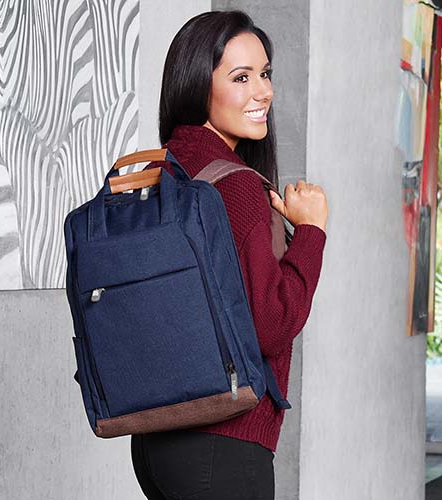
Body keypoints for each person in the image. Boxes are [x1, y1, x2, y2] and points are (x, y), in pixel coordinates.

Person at [130, 10, 328, 500]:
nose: (263, 92)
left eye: (265, 73)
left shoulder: (166, 170)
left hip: (156, 441)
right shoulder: (233, 185)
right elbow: (272, 324)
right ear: (198, 85)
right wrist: (311, 231)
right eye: (241, 77)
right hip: (224, 443)